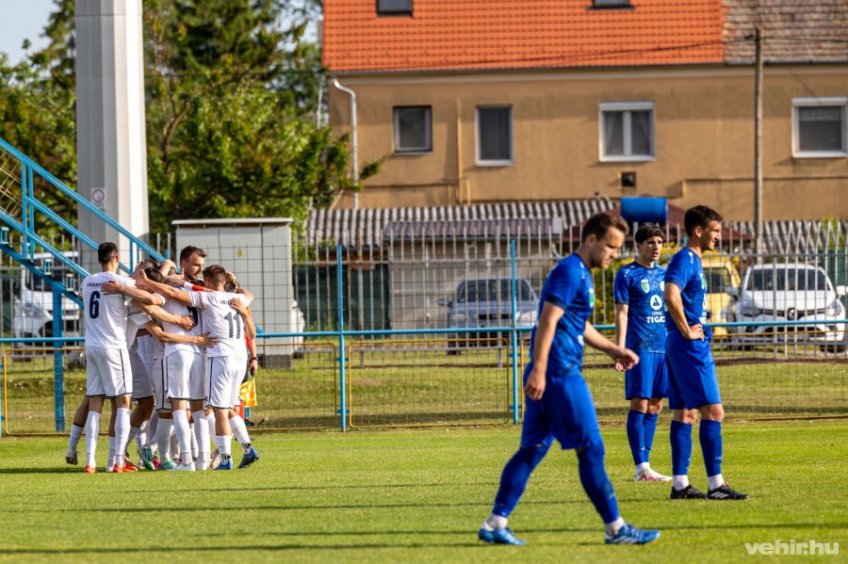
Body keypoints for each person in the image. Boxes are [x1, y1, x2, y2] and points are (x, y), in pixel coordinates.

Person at [478, 212, 660, 546]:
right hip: (559, 374)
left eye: (618, 249)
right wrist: (540, 369)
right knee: (592, 448)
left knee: (531, 450)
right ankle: (616, 529)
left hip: (553, 372)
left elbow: (578, 324)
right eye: (610, 246)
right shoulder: (568, 271)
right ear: (591, 239)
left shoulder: (584, 275)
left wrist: (612, 349)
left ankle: (495, 523)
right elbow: (548, 319)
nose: (614, 254)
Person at [663, 205, 749, 500]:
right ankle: (716, 485)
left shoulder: (693, 261)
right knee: (714, 411)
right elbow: (670, 293)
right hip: (688, 345)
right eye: (714, 230)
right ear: (698, 231)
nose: (718, 236)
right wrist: (687, 330)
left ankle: (680, 485)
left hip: (679, 343)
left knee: (686, 412)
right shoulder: (685, 259)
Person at [80, 242, 160, 473]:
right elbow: (152, 300)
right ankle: (116, 461)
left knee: (95, 403)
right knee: (123, 403)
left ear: (99, 258)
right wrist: (127, 288)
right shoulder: (122, 282)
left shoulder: (87, 281)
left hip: (92, 347)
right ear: (116, 257)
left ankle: (90, 461)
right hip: (114, 347)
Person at [613, 223, 671, 482]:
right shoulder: (627, 275)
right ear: (638, 245)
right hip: (640, 348)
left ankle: (646, 466)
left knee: (656, 405)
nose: (656, 247)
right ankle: (640, 466)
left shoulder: (666, 275)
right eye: (650, 242)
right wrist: (620, 349)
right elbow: (622, 313)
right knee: (641, 402)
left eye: (659, 242)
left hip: (664, 348)